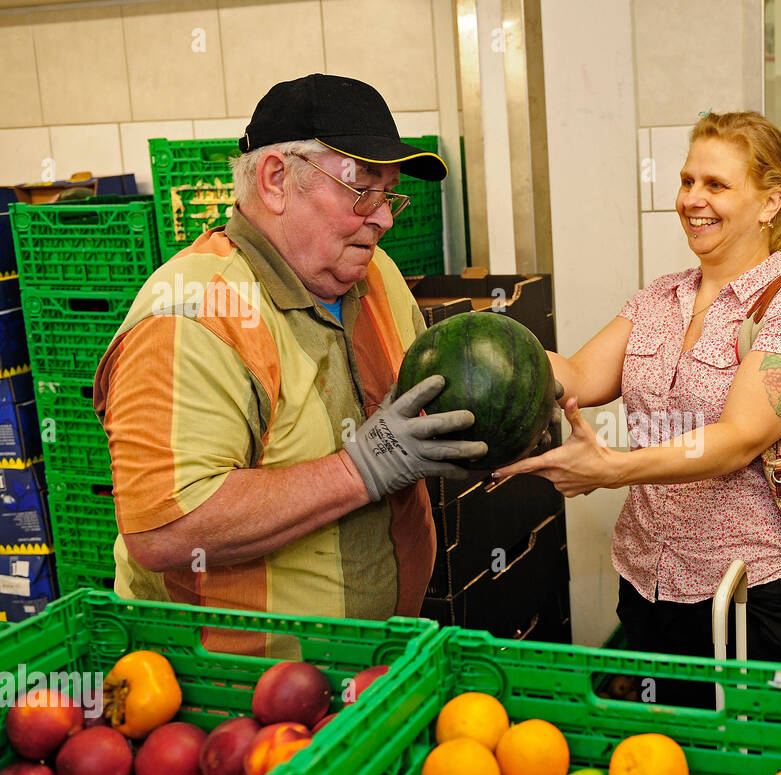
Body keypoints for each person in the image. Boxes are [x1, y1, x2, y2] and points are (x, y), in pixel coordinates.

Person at [92, 74, 490, 652]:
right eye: (361, 189)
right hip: (238, 697)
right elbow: (165, 529)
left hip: (378, 662)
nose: (383, 218)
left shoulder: (375, 276)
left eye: (390, 195)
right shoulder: (193, 314)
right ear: (276, 179)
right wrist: (360, 471)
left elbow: (421, 404)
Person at [495, 111, 781, 706]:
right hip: (648, 582)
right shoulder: (658, 299)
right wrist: (488, 347)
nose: (692, 199)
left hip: (751, 599)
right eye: (687, 180)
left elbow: (737, 439)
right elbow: (576, 375)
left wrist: (614, 467)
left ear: (770, 202)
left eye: (716, 185)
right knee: (663, 765)